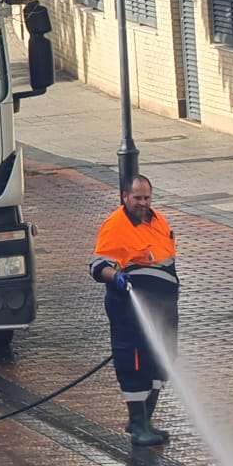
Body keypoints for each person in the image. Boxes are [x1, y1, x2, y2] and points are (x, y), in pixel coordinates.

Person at [90, 176, 178, 446]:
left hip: (162, 307)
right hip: (131, 309)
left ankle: (145, 420)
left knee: (162, 361)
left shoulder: (158, 220)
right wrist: (114, 276)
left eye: (147, 198)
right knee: (135, 363)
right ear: (125, 197)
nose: (143, 203)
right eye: (137, 198)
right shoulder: (116, 226)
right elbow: (97, 265)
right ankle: (139, 424)